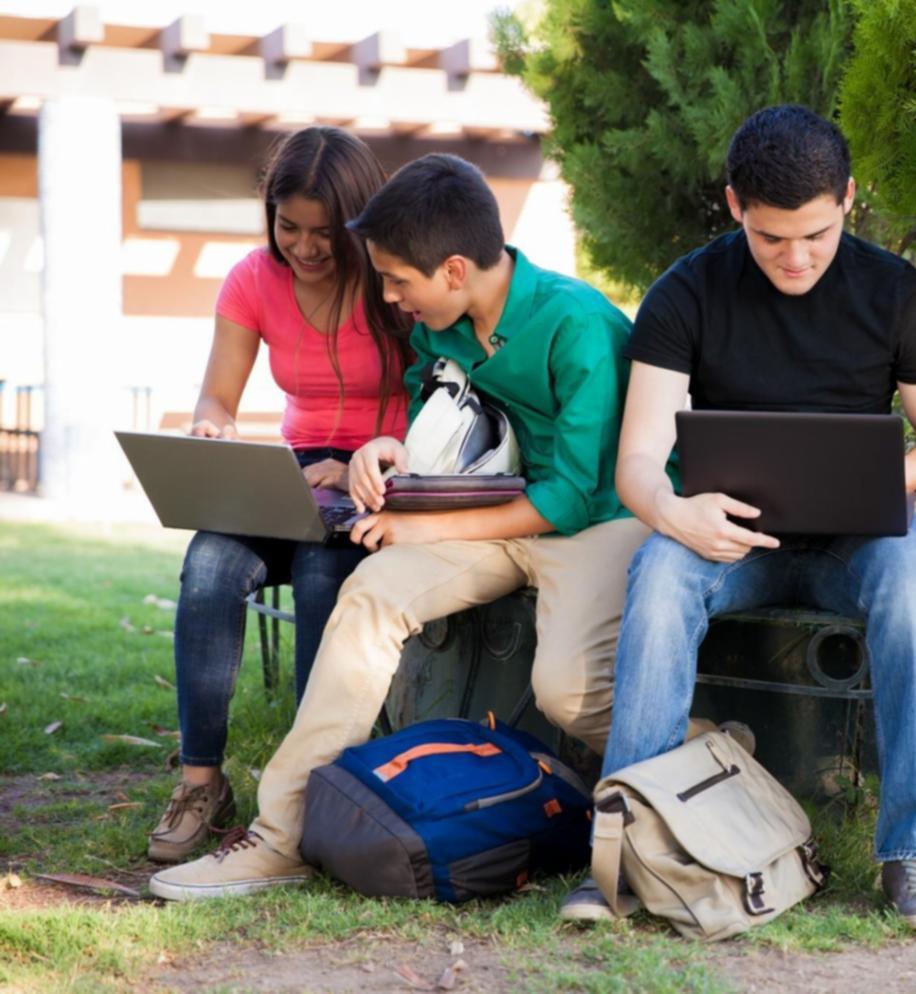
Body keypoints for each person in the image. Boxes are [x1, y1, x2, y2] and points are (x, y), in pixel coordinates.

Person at [148, 153, 646, 900]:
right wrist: (388, 451)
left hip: (594, 523)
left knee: (568, 692)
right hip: (492, 514)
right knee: (372, 592)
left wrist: (419, 531)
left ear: (452, 270)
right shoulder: (438, 325)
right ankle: (280, 835)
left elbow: (570, 498)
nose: (386, 296)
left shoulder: (577, 325)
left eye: (395, 281)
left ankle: (698, 755)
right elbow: (431, 421)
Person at [560, 105, 916, 930]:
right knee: (661, 573)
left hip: (859, 539)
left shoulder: (897, 296)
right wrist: (676, 512)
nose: (796, 256)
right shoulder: (685, 293)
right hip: (727, 539)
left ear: (848, 199)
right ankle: (627, 854)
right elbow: (636, 463)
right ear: (736, 203)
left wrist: (904, 472)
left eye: (815, 234)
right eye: (773, 236)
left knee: (915, 582)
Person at [147, 126, 409, 864]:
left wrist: (368, 462)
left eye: (323, 232)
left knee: (326, 577)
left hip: (378, 477)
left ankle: (308, 789)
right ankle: (202, 780)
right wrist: (212, 428)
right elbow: (219, 397)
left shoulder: (391, 282)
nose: (304, 246)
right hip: (291, 474)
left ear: (356, 223)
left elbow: (440, 397)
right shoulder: (251, 280)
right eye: (288, 226)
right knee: (209, 569)